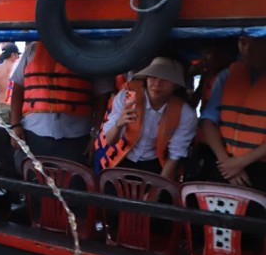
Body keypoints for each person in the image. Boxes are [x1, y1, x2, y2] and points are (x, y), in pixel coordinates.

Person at [9, 41, 114, 167]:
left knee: (74, 178)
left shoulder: (92, 53)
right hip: (32, 133)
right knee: (33, 176)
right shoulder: (32, 50)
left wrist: (95, 135)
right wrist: (15, 125)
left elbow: (102, 97)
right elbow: (18, 89)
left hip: (76, 138)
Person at [95, 57, 197, 180]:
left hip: (155, 164)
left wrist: (159, 186)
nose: (157, 84)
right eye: (153, 77)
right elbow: (109, 140)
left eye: (165, 79)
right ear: (146, 78)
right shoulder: (126, 96)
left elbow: (175, 154)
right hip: (119, 159)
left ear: (175, 85)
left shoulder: (185, 114)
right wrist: (119, 124)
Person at [199, 35, 266, 191]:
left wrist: (240, 163)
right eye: (243, 42)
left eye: (256, 42)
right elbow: (208, 120)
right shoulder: (227, 75)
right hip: (223, 161)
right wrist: (226, 162)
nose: (247, 49)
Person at [0, 42, 20, 124]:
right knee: (16, 130)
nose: (18, 57)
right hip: (16, 106)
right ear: (13, 55)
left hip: (1, 106)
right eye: (17, 54)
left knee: (1, 131)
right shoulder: (19, 68)